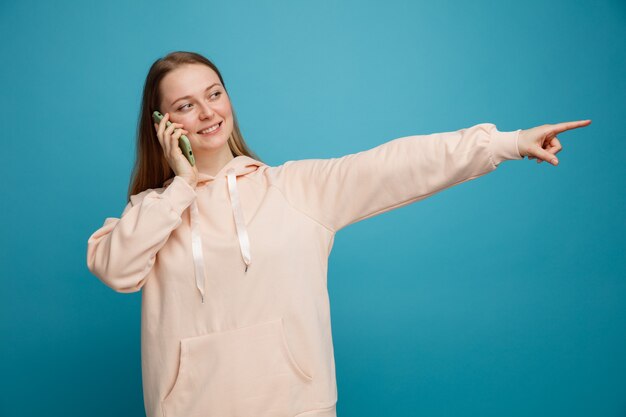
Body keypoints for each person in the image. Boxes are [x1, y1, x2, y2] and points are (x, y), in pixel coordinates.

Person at [86, 50, 591, 417]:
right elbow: (115, 269)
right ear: (162, 124)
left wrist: (505, 143)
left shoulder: (294, 189)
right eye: (185, 105)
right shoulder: (149, 215)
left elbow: (393, 165)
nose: (207, 111)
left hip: (298, 407)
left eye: (214, 93)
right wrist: (181, 187)